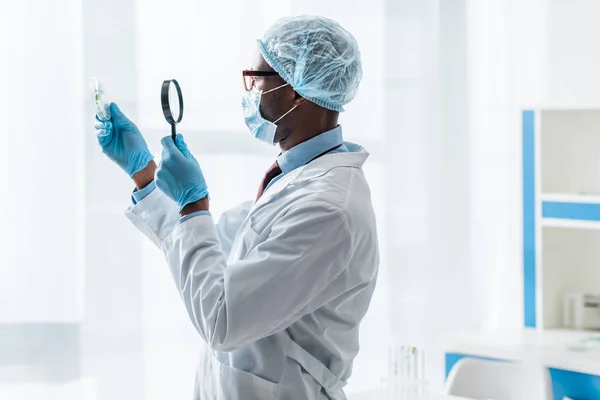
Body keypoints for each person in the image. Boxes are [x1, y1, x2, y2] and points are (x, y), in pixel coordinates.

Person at [94, 15, 379, 400]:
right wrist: (144, 175)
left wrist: (194, 203)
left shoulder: (329, 210)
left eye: (257, 78)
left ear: (295, 91)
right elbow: (205, 247)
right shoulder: (295, 180)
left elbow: (223, 320)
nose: (251, 91)